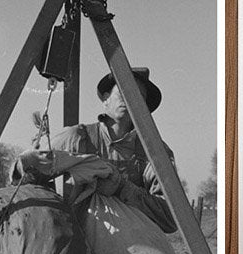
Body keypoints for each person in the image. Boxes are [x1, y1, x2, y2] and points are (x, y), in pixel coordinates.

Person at [51, 67, 178, 234]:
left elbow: (171, 219)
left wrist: (122, 188)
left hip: (132, 247)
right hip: (76, 242)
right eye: (122, 93)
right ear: (105, 99)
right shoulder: (75, 138)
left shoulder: (155, 152)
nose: (128, 100)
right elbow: (28, 170)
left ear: (145, 108)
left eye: (138, 96)